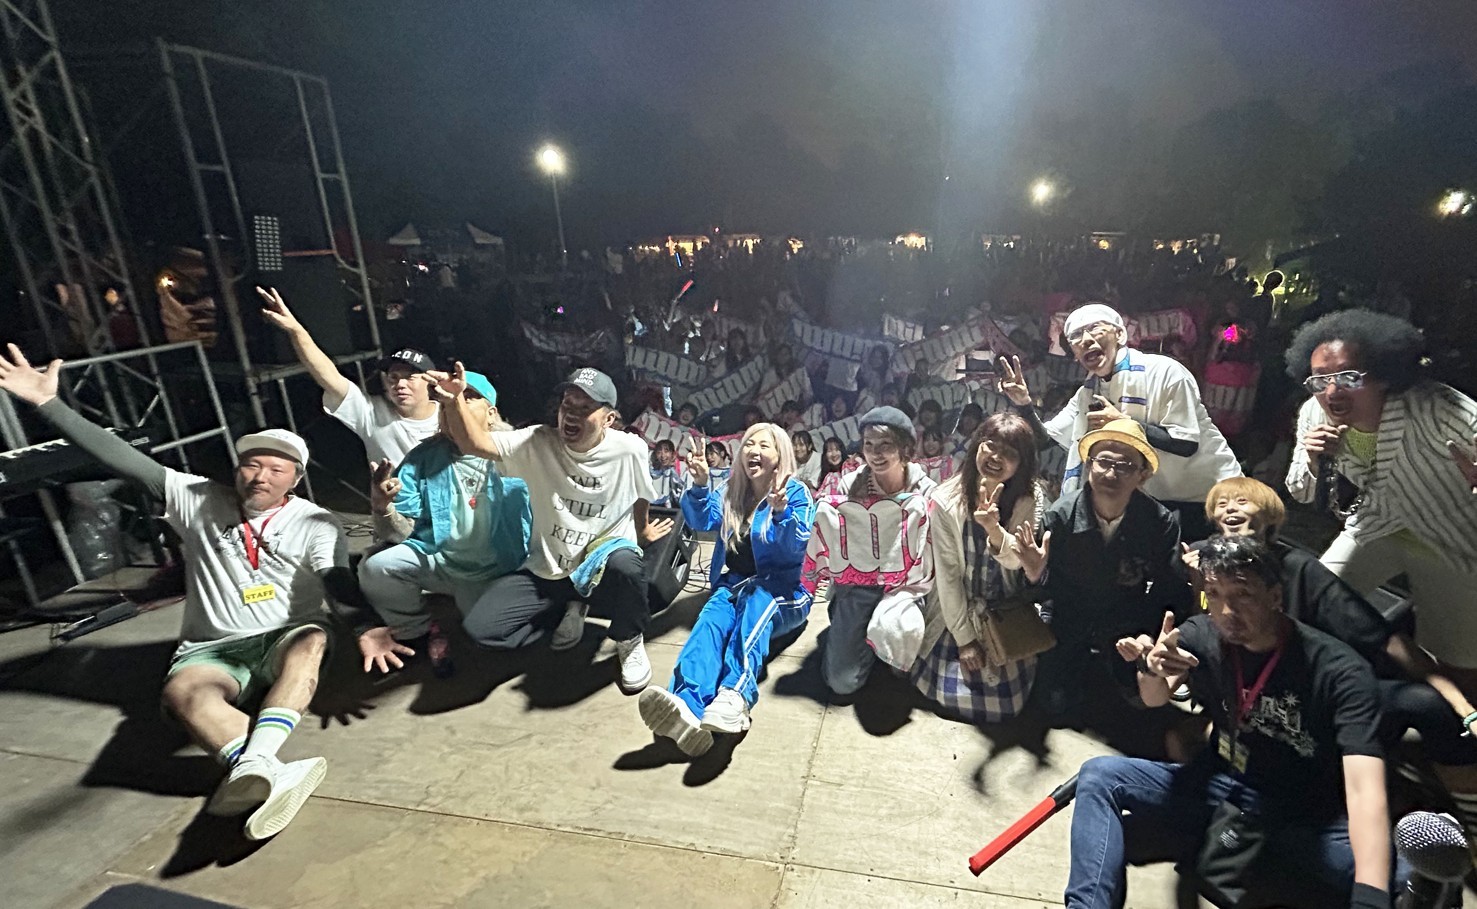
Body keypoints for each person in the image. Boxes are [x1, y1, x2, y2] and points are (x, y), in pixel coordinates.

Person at [0, 344, 355, 841]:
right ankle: (265, 768)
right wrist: (48, 404)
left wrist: (366, 619)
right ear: (237, 468)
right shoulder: (196, 498)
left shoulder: (315, 521)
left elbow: (335, 576)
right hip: (212, 646)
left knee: (310, 639)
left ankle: (254, 763)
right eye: (251, 464)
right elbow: (123, 458)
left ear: (296, 479)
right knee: (182, 692)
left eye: (276, 469)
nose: (260, 476)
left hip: (284, 635)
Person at [1065, 535, 1392, 909]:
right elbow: (1154, 696)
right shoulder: (1204, 635)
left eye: (1243, 594)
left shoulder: (1340, 672)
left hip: (1303, 813)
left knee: (1396, 879)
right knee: (1100, 775)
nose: (1226, 610)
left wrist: (1371, 897)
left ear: (1275, 596)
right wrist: (1151, 666)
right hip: (1224, 787)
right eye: (1215, 594)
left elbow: (1365, 788)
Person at [435, 365, 664, 694]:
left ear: (609, 419)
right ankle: (567, 608)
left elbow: (641, 492)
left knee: (627, 565)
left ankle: (629, 639)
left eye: (585, 408)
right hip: (550, 567)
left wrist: (641, 531)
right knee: (481, 629)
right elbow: (475, 444)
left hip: (601, 560)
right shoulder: (537, 441)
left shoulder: (629, 449)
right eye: (567, 404)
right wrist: (453, 401)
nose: (571, 414)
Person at [1284, 310, 1477, 693]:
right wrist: (1314, 461)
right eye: (1319, 380)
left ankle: (1456, 723)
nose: (1332, 392)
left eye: (1349, 377)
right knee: (1310, 602)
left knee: (1460, 657)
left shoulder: (1437, 408)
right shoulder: (1313, 413)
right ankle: (1325, 694)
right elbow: (1300, 492)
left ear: (1385, 376)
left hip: (1450, 534)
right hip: (1378, 523)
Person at [638, 424, 816, 756]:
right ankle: (688, 706)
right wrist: (700, 485)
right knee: (710, 621)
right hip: (735, 583)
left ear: (780, 456)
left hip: (785, 591)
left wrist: (780, 513)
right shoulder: (731, 489)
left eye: (764, 445)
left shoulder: (795, 493)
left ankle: (735, 694)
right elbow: (701, 521)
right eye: (749, 444)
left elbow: (795, 550)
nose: (754, 450)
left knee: (755, 607)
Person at [1013, 303, 1241, 539]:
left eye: (1095, 328)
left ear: (1120, 335)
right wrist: (1023, 403)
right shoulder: (1088, 394)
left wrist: (1125, 422)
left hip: (1210, 496)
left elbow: (1185, 444)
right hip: (1157, 500)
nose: (1086, 339)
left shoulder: (1164, 372)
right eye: (1076, 336)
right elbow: (1044, 440)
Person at [1015, 418, 1193, 717]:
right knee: (1054, 707)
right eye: (1104, 462)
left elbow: (1169, 588)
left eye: (1125, 466)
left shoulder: (1158, 522)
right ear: (1089, 465)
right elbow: (1039, 590)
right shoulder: (1061, 517)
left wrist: (1147, 636)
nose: (1111, 473)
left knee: (1138, 703)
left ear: (1142, 475)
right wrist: (1034, 574)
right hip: (1069, 617)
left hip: (1127, 620)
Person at [356, 371, 532, 671]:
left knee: (488, 634)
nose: (455, 405)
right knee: (377, 568)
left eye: (467, 398)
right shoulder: (423, 458)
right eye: (448, 401)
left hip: (501, 569)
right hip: (442, 561)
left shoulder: (520, 453)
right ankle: (418, 631)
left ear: (491, 414)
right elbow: (399, 533)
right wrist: (382, 508)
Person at [915, 414, 1046, 722]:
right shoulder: (945, 499)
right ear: (977, 445)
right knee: (952, 692)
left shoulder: (1030, 497)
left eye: (1010, 453)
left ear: (1021, 463)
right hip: (958, 608)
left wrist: (994, 530)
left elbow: (1016, 561)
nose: (996, 457)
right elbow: (948, 575)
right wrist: (965, 640)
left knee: (1007, 704)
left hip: (1005, 608)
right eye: (990, 445)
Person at [802, 407, 937, 697]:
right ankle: (852, 629)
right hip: (858, 587)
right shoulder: (850, 485)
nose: (875, 453)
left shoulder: (925, 490)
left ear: (904, 448)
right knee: (842, 683)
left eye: (885, 445)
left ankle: (878, 639)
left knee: (903, 665)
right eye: (869, 444)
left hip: (905, 589)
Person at [258, 287, 437, 466]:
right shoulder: (371, 413)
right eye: (393, 377)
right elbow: (329, 375)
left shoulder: (447, 414)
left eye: (410, 377)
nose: (400, 384)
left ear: (430, 382)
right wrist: (296, 331)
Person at [648, 439, 687, 507]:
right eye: (659, 452)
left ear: (673, 454)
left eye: (666, 451)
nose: (663, 455)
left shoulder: (682, 468)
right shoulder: (652, 473)